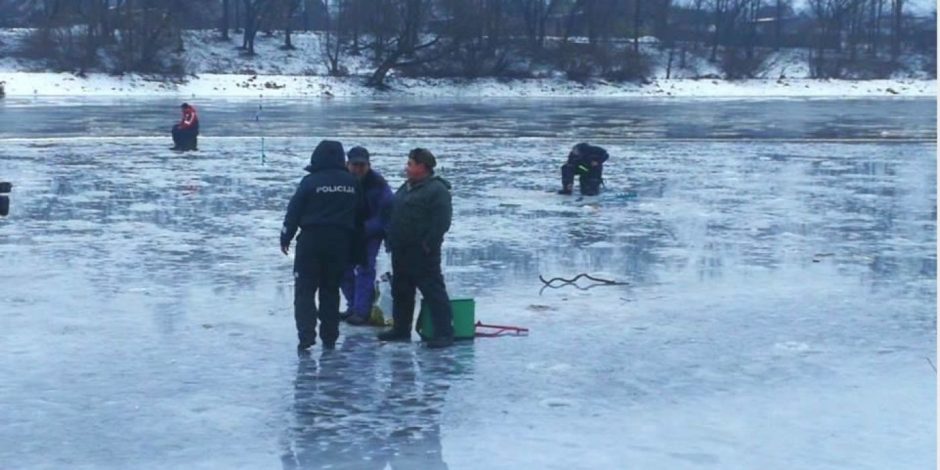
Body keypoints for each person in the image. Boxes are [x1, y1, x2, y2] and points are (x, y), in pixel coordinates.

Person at [281, 140, 363, 351]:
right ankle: (329, 336)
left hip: (311, 241)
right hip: (339, 243)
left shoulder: (309, 182)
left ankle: (306, 336)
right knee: (330, 290)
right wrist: (357, 249)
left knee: (305, 291)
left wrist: (286, 236)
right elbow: (360, 217)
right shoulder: (352, 183)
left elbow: (294, 211)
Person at [377, 148, 455, 349]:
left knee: (433, 292)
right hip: (401, 249)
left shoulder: (437, 190)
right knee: (401, 291)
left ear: (422, 167)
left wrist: (427, 243)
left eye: (410, 164)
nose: (407, 167)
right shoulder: (407, 187)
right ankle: (401, 329)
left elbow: (442, 222)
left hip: (423, 252)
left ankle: (444, 333)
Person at [341, 146, 394, 326]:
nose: (358, 169)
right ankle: (353, 306)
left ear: (368, 165)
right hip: (347, 232)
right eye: (355, 165)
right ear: (347, 164)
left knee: (365, 268)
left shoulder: (378, 184)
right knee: (343, 269)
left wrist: (368, 228)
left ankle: (362, 311)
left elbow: (387, 213)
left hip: (371, 232)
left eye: (362, 165)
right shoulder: (341, 180)